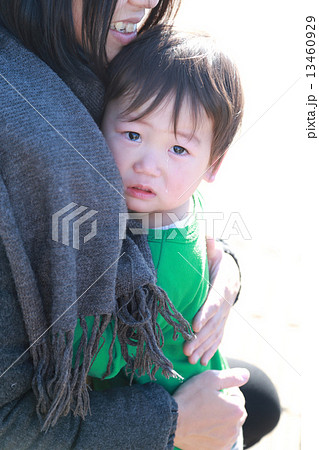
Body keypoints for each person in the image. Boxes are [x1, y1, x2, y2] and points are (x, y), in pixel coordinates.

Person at [0, 1, 280, 448]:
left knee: (262, 397)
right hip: (169, 402)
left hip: (173, 412)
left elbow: (105, 359)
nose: (148, 165)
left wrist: (226, 266)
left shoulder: (155, 251)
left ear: (214, 164)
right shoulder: (173, 204)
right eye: (132, 135)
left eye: (178, 150)